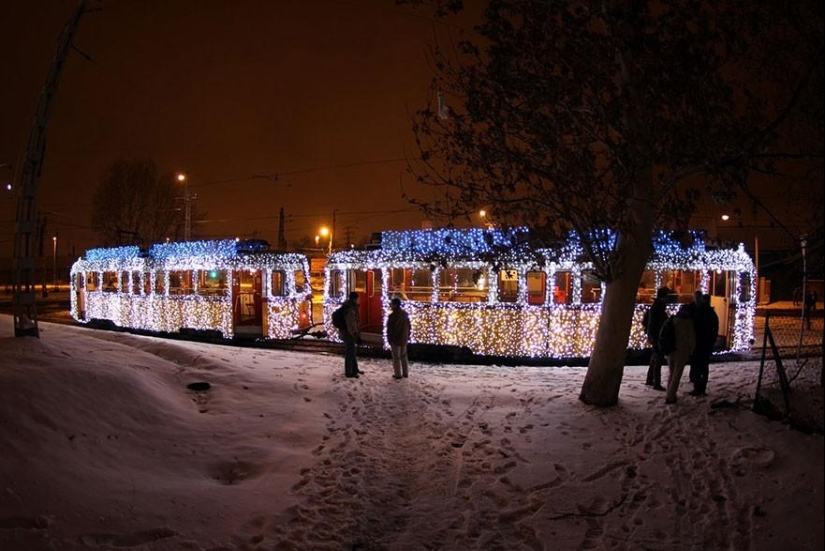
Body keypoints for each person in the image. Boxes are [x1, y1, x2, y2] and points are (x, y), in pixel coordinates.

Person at [664, 303, 696, 405]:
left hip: (670, 349)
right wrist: (691, 350)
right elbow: (691, 339)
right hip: (681, 351)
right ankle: (670, 396)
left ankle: (669, 393)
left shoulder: (672, 320)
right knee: (677, 374)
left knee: (671, 372)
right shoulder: (688, 323)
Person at [689, 293, 719, 397]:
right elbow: (715, 328)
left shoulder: (699, 312)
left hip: (700, 343)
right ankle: (701, 387)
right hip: (705, 343)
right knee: (703, 366)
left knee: (698, 365)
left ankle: (698, 387)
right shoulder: (710, 312)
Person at [644, 287, 670, 391]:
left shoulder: (657, 307)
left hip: (655, 335)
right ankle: (656, 383)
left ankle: (650, 379)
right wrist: (654, 338)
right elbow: (653, 324)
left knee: (655, 358)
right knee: (658, 358)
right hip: (656, 336)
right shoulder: (657, 308)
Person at [386, 298, 411, 379]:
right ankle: (405, 373)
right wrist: (407, 335)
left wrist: (389, 339)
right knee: (404, 356)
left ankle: (398, 374)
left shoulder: (392, 316)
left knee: (396, 357)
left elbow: (390, 329)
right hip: (404, 338)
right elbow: (409, 326)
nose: (391, 305)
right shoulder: (405, 314)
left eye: (392, 304)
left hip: (395, 339)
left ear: (395, 305)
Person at [339, 292, 362, 378]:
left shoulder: (349, 307)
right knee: (350, 353)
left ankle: (354, 369)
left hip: (348, 333)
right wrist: (355, 335)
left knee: (352, 352)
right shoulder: (350, 309)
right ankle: (349, 372)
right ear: (355, 299)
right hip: (349, 334)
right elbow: (351, 324)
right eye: (357, 298)